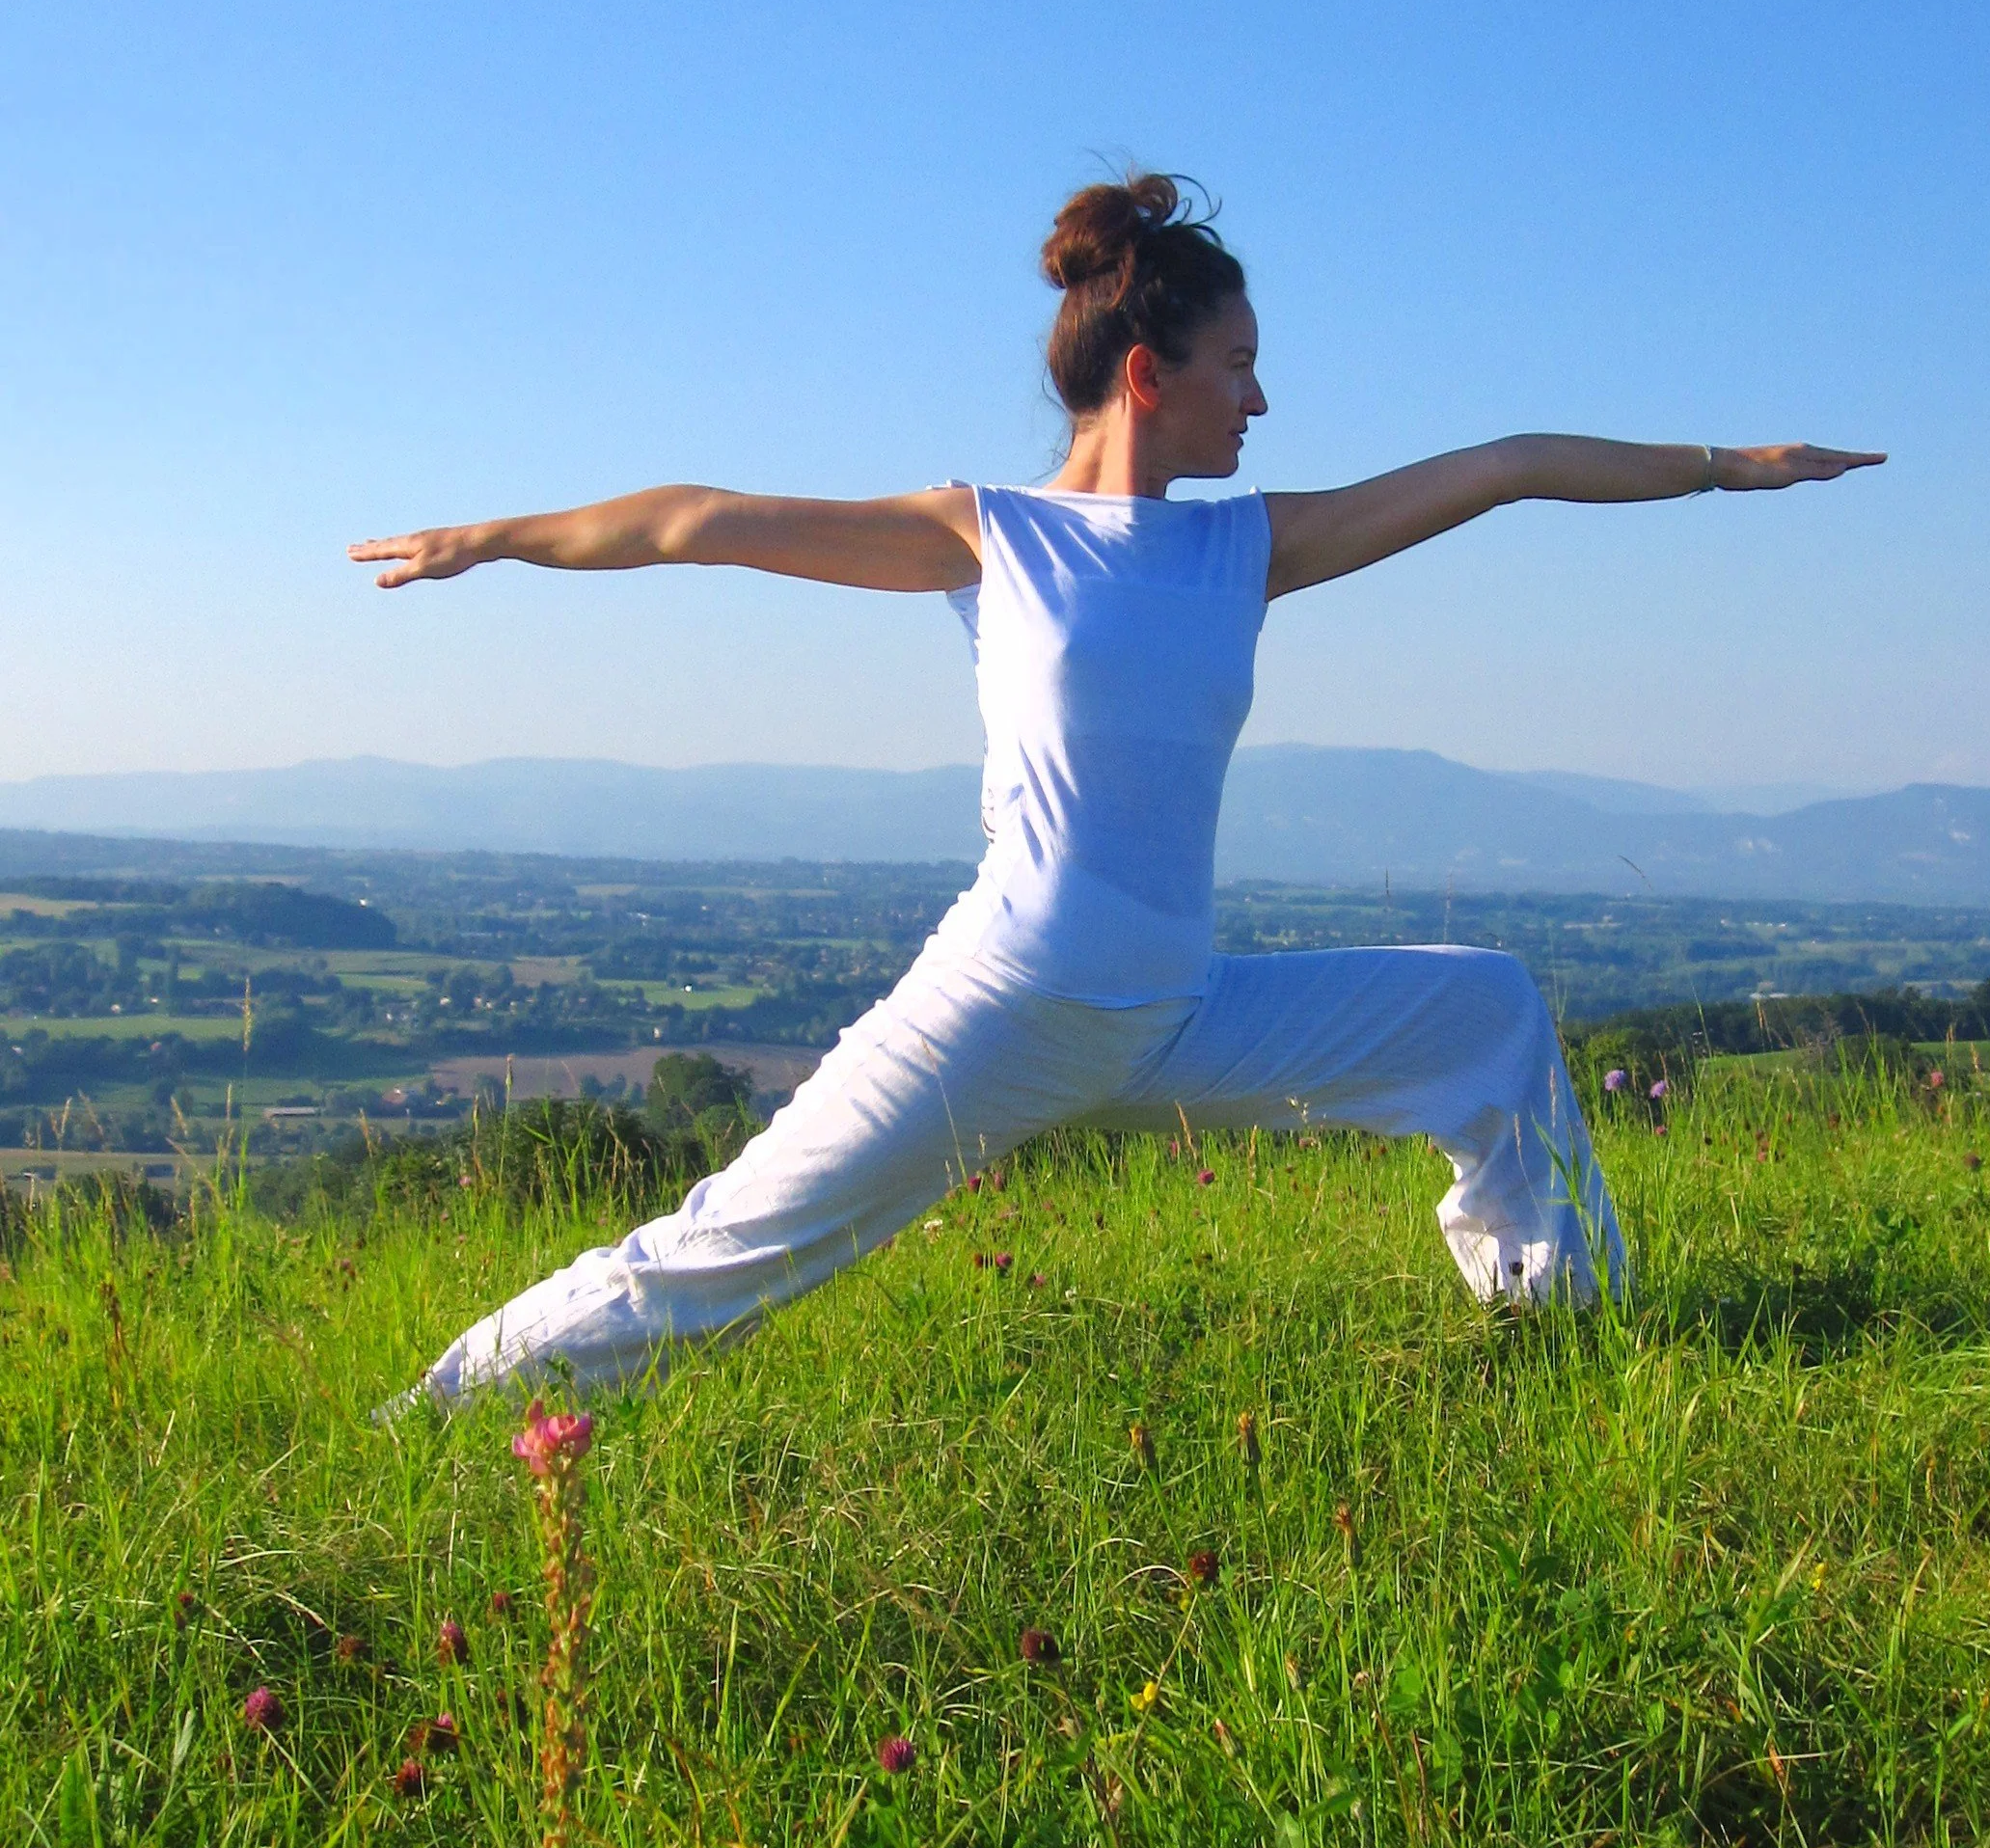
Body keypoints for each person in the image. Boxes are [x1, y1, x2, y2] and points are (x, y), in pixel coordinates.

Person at [351, 177, 1879, 1400]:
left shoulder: (1245, 548)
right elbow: (692, 519)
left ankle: (1565, 1338)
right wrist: (491, 535)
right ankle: (441, 1416)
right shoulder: (990, 537)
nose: (1261, 405)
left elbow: (1504, 463)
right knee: (721, 1254)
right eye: (1239, 370)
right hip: (1004, 1008)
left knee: (1490, 1011)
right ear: (1149, 375)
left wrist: (1729, 467)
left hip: (1174, 1010)